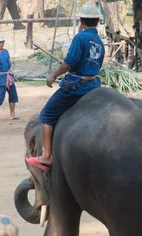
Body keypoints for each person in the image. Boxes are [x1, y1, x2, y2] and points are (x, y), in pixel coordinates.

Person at [26, 2, 105, 171]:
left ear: (82, 22)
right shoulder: (99, 41)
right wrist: (70, 64)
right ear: (97, 22)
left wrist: (53, 75)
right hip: (93, 84)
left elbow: (69, 62)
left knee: (46, 115)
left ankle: (47, 156)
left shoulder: (80, 37)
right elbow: (92, 64)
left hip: (77, 87)